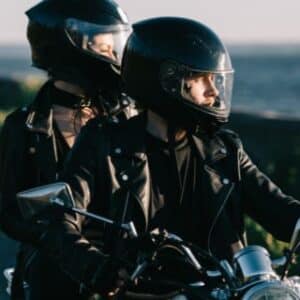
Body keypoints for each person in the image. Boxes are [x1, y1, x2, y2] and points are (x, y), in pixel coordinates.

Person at [24, 17, 300, 298]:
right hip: (139, 292)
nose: (213, 91)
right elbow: (60, 217)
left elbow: (279, 209)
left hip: (222, 291)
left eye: (215, 80)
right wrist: (94, 265)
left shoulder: (223, 151)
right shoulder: (104, 143)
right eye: (200, 79)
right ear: (168, 81)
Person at [0, 0, 132, 299]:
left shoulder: (125, 117)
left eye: (115, 44)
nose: (114, 54)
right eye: (104, 46)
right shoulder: (23, 126)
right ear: (72, 44)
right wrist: (55, 237)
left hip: (123, 274)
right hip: (54, 276)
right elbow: (8, 212)